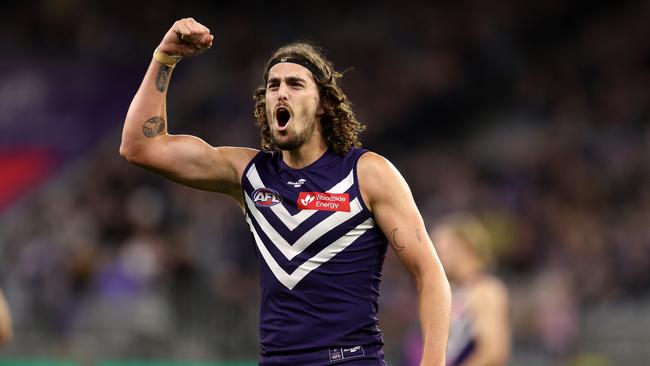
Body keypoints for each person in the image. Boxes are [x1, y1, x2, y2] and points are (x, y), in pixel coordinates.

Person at [120, 17, 451, 365]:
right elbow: (140, 147)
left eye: (295, 84)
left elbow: (430, 274)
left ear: (322, 104)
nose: (280, 92)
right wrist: (165, 57)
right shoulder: (249, 174)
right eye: (273, 85)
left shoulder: (368, 173)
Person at [430, 213, 510, 366]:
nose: (434, 258)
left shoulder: (486, 291)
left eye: (439, 251)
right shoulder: (458, 291)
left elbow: (493, 353)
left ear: (462, 247)